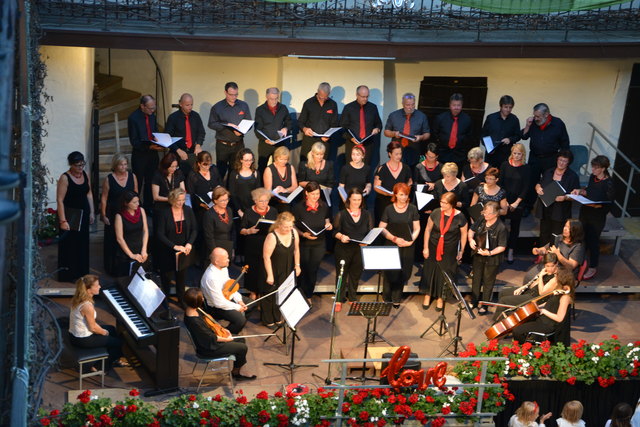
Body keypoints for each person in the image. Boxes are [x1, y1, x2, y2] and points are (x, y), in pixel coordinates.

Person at [183, 288, 255, 381]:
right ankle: (236, 372)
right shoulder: (194, 322)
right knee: (242, 347)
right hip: (208, 348)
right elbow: (210, 338)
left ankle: (238, 368)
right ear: (197, 302)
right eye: (202, 298)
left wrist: (223, 329)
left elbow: (210, 326)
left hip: (209, 340)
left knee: (241, 340)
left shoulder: (194, 310)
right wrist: (226, 339)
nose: (203, 299)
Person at [69, 275, 129, 370]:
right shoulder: (87, 306)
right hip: (83, 339)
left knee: (112, 329)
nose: (100, 287)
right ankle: (99, 367)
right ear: (88, 289)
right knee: (119, 343)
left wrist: (104, 331)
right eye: (97, 286)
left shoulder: (78, 298)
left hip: (74, 334)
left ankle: (109, 356)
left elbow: (90, 323)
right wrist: (104, 332)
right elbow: (92, 328)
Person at [420, 192, 468, 311]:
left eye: (445, 203)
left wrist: (461, 250)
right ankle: (428, 294)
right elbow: (427, 229)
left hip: (449, 249)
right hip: (433, 246)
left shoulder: (460, 216)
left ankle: (441, 297)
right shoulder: (436, 212)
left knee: (444, 273)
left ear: (452, 204)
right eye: (441, 202)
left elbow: (464, 234)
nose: (441, 204)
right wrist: (425, 247)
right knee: (430, 270)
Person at [571, 155, 615, 280]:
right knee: (581, 239)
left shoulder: (609, 183)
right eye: (593, 167)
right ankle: (580, 263)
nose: (593, 170)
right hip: (585, 212)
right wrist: (579, 191)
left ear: (603, 168)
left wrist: (597, 206)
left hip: (597, 216)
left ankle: (593, 266)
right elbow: (589, 191)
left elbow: (609, 203)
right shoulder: (592, 177)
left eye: (596, 168)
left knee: (593, 242)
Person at [521, 103, 570, 213]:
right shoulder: (533, 122)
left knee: (549, 183)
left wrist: (562, 160)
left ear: (547, 114)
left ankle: (548, 206)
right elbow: (524, 136)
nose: (536, 119)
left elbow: (565, 143)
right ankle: (528, 206)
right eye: (535, 116)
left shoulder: (558, 124)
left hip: (551, 158)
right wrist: (528, 125)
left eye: (538, 116)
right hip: (535, 157)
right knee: (532, 181)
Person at [379, 183, 421, 307]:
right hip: (392, 244)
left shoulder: (412, 208)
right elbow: (381, 228)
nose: (403, 197)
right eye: (401, 194)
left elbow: (417, 228)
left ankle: (397, 297)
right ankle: (386, 297)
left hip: (407, 244)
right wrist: (394, 238)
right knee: (390, 271)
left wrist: (411, 240)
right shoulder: (389, 209)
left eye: (406, 195)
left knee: (403, 271)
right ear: (395, 194)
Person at [333, 188, 373, 311]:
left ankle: (352, 298)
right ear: (349, 199)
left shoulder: (366, 214)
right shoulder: (342, 214)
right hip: (343, 248)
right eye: (354, 199)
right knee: (341, 274)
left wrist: (367, 242)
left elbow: (370, 231)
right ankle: (338, 299)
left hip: (359, 249)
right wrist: (341, 236)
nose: (356, 202)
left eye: (359, 199)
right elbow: (335, 232)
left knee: (355, 275)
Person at [512, 266, 575, 346]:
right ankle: (526, 344)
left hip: (548, 324)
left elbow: (560, 318)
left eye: (556, 276)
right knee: (519, 324)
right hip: (543, 319)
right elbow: (551, 303)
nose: (554, 277)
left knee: (517, 331)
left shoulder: (565, 297)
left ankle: (525, 348)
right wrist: (535, 306)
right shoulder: (559, 290)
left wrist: (544, 311)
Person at [57, 152, 94, 283]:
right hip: (70, 215)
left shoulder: (85, 174)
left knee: (82, 244)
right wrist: (63, 220)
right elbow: (60, 200)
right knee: (70, 245)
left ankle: (81, 273)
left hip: (83, 214)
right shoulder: (65, 178)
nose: (80, 167)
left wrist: (92, 212)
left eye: (82, 164)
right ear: (71, 165)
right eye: (78, 165)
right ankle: (69, 275)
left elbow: (89, 194)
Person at [293, 182, 333, 303]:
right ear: (306, 193)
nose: (316, 196)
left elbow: (327, 220)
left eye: (318, 193)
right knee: (303, 268)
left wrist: (328, 225)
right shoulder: (298, 207)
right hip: (304, 242)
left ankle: (308, 295)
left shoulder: (324, 206)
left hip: (319, 243)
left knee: (313, 269)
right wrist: (303, 234)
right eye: (313, 194)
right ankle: (299, 293)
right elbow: (293, 226)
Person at [155, 188, 197, 302]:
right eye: (178, 200)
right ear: (172, 200)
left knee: (181, 277)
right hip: (167, 250)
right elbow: (160, 234)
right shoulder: (165, 213)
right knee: (166, 278)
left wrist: (189, 243)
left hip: (183, 250)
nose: (181, 203)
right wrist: (174, 246)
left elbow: (194, 229)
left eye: (183, 200)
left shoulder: (188, 210)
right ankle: (165, 300)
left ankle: (181, 299)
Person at [100, 153, 137, 275]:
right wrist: (104, 215)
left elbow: (136, 195)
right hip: (114, 212)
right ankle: (112, 268)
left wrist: (137, 211)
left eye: (125, 164)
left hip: (128, 212)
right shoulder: (109, 179)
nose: (124, 167)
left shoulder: (132, 177)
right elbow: (104, 198)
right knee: (113, 240)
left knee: (128, 238)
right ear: (115, 166)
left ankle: (129, 266)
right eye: (121, 164)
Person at [262, 212, 301, 328]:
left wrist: (297, 265)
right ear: (279, 224)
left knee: (283, 293)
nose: (288, 229)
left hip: (287, 268)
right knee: (270, 294)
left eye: (290, 226)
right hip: (272, 268)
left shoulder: (294, 233)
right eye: (285, 227)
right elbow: (266, 257)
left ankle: (278, 317)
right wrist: (270, 275)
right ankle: (268, 320)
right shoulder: (272, 236)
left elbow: (296, 250)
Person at [468, 201, 508, 314]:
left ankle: (485, 305)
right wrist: (470, 240)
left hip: (492, 258)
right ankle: (474, 300)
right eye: (484, 212)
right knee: (476, 279)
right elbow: (471, 230)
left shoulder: (501, 227)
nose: (485, 215)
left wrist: (489, 253)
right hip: (478, 254)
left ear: (495, 214)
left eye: (488, 213)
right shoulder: (481, 219)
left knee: (488, 281)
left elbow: (502, 246)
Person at [493, 253, 559, 321]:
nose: (550, 268)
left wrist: (541, 276)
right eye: (547, 266)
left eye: (552, 266)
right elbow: (533, 283)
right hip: (530, 291)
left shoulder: (556, 277)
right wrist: (522, 287)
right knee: (503, 292)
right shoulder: (545, 270)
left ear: (556, 264)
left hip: (535, 298)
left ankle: (496, 323)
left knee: (503, 301)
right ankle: (506, 318)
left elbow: (542, 293)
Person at [201, 248, 251, 334]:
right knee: (240, 321)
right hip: (216, 307)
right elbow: (218, 302)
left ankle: (235, 326)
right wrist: (237, 307)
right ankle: (224, 334)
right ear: (216, 262)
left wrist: (239, 301)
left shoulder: (223, 268)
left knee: (252, 304)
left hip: (226, 298)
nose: (229, 260)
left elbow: (229, 287)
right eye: (226, 258)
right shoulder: (211, 278)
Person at [534, 150, 579, 247]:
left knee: (556, 234)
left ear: (568, 163)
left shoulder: (572, 176)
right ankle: (542, 256)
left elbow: (575, 196)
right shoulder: (549, 171)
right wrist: (537, 187)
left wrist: (565, 197)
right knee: (544, 233)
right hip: (545, 207)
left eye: (564, 161)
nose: (561, 163)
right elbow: (540, 183)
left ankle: (553, 258)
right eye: (560, 160)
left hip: (560, 210)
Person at [207, 82, 252, 179]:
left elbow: (249, 123)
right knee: (221, 170)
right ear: (225, 92)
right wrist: (227, 125)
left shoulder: (243, 105)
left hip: (238, 144)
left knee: (236, 171)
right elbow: (211, 123)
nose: (234, 97)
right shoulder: (217, 107)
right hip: (223, 145)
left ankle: (233, 192)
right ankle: (220, 192)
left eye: (236, 94)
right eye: (231, 94)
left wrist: (242, 131)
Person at [239, 188, 278, 300]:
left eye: (266, 201)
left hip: (269, 244)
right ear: (255, 201)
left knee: (265, 269)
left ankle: (262, 292)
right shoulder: (248, 211)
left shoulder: (273, 211)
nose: (264, 203)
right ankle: (252, 292)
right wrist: (248, 231)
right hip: (253, 246)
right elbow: (241, 229)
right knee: (253, 270)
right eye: (261, 201)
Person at [127, 95, 160, 212]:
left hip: (152, 154)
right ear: (142, 106)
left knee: (151, 180)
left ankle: (148, 205)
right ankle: (136, 206)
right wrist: (149, 146)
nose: (152, 110)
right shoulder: (133, 118)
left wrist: (158, 140)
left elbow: (154, 131)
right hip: (140, 155)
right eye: (150, 108)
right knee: (138, 181)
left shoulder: (152, 116)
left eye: (153, 108)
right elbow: (134, 141)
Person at [228, 149, 261, 263]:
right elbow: (232, 193)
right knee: (239, 231)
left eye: (250, 160)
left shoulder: (256, 173)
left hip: (251, 208)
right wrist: (239, 210)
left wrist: (254, 209)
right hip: (238, 207)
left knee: (251, 232)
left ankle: (248, 255)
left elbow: (258, 191)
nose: (248, 162)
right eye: (246, 160)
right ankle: (238, 254)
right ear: (241, 160)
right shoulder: (234, 174)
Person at [499, 143, 530, 263]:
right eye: (515, 153)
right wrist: (504, 201)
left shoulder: (526, 168)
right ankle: (500, 250)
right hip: (504, 200)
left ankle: (511, 251)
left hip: (518, 202)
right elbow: (500, 184)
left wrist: (517, 203)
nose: (516, 156)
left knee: (515, 228)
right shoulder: (505, 165)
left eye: (519, 154)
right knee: (500, 227)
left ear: (523, 154)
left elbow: (526, 187)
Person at [383, 92, 430, 167]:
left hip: (413, 151)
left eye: (413, 104)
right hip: (396, 150)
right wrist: (394, 134)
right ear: (402, 103)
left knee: (410, 174)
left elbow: (427, 134)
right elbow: (386, 132)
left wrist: (420, 137)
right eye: (407, 105)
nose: (410, 107)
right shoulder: (394, 115)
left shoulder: (422, 116)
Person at [165, 93, 206, 175]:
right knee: (178, 177)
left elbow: (201, 132)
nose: (190, 107)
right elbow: (167, 137)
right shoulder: (173, 118)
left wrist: (198, 145)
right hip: (177, 152)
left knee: (192, 177)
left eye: (191, 104)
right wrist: (178, 150)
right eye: (187, 105)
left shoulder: (196, 116)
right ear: (180, 104)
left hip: (192, 152)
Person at [340, 85, 382, 164]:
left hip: (368, 144)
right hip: (352, 144)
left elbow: (379, 123)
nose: (365, 99)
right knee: (351, 169)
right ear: (357, 95)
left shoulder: (373, 107)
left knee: (366, 169)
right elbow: (343, 127)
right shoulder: (348, 108)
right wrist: (351, 138)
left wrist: (377, 129)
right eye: (363, 97)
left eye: (367, 96)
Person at [254, 87, 292, 173]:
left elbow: (289, 122)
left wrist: (286, 128)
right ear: (266, 96)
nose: (274, 101)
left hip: (280, 143)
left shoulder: (283, 108)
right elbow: (257, 129)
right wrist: (265, 139)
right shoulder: (260, 110)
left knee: (279, 167)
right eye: (271, 99)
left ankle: (277, 186)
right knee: (262, 166)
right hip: (265, 144)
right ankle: (262, 186)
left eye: (276, 98)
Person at [373, 141, 413, 223]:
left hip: (400, 203)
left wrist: (404, 193)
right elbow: (376, 186)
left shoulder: (406, 168)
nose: (399, 156)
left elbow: (410, 183)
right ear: (390, 154)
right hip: (384, 203)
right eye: (396, 154)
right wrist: (387, 193)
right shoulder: (382, 168)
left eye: (400, 154)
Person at [298, 82, 339, 160]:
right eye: (321, 97)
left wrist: (328, 135)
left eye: (325, 97)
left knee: (323, 166)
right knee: (305, 164)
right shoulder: (308, 103)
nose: (323, 99)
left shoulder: (333, 104)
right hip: (309, 139)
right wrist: (305, 129)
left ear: (329, 93)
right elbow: (300, 122)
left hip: (325, 140)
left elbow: (335, 124)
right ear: (317, 91)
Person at [432, 93, 473, 168]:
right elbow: (435, 134)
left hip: (460, 155)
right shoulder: (440, 118)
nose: (456, 107)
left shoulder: (467, 119)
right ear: (450, 105)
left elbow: (469, 137)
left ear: (462, 105)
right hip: (442, 153)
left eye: (458, 105)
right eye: (454, 105)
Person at [113, 191, 149, 277]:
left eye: (138, 201)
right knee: (126, 279)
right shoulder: (119, 216)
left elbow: (145, 231)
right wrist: (131, 255)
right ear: (126, 203)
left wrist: (144, 249)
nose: (137, 204)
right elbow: (119, 238)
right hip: (126, 251)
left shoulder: (141, 211)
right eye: (134, 202)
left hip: (140, 248)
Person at [481, 95, 521, 168]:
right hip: (491, 154)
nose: (508, 109)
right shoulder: (491, 118)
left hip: (506, 154)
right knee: (489, 175)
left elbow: (518, 135)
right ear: (501, 106)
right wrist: (488, 147)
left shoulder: (514, 119)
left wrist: (510, 139)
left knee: (504, 176)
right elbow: (483, 135)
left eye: (510, 107)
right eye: (506, 107)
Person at [186, 151, 222, 221]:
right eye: (205, 165)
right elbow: (192, 195)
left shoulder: (214, 169)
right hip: (202, 208)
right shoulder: (193, 175)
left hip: (218, 204)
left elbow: (221, 185)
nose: (207, 167)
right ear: (199, 163)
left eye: (209, 164)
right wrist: (203, 205)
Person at [263, 146, 299, 213]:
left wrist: (285, 190)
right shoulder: (269, 170)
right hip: (275, 200)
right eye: (281, 159)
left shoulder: (290, 167)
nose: (283, 162)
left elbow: (295, 186)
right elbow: (268, 191)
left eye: (285, 159)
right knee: (285, 208)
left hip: (289, 199)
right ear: (276, 158)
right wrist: (278, 197)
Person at [202, 187, 234, 260]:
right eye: (222, 200)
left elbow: (232, 230)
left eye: (227, 199)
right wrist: (215, 251)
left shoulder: (229, 210)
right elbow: (209, 236)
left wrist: (232, 248)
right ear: (215, 201)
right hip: (215, 247)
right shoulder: (209, 214)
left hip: (227, 245)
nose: (225, 202)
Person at [152, 152, 186, 217]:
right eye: (172, 166)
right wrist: (172, 200)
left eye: (176, 166)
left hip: (177, 203)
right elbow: (156, 197)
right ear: (166, 165)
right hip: (163, 204)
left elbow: (183, 190)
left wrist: (179, 199)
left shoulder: (178, 173)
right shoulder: (158, 175)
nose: (174, 169)